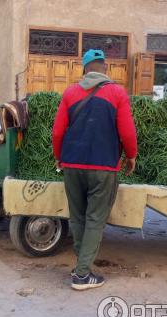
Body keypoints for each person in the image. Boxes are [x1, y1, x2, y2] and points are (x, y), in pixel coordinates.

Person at [52, 49, 138, 290]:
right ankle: (81, 275)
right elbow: (127, 132)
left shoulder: (70, 93)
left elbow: (58, 132)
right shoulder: (117, 92)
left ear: (84, 70)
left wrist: (60, 158)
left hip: (71, 165)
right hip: (103, 167)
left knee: (78, 217)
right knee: (95, 219)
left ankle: (81, 264)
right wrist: (131, 156)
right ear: (105, 69)